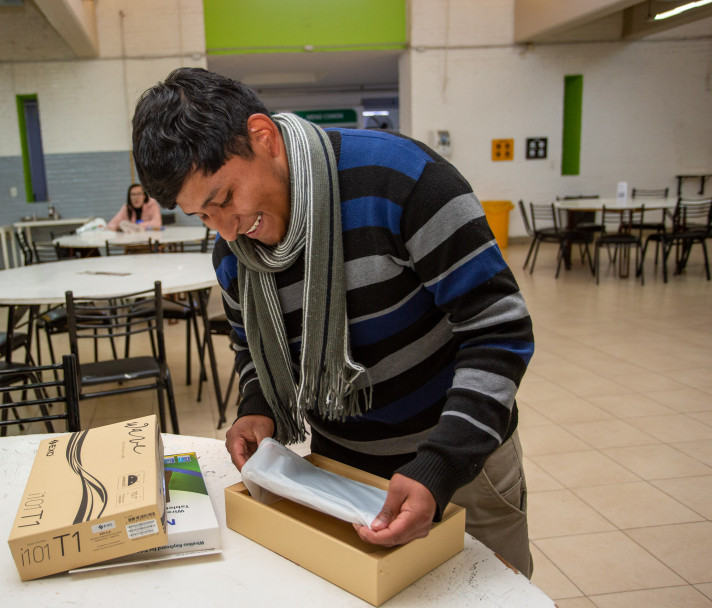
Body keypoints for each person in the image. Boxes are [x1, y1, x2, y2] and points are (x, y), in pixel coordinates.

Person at [132, 67, 535, 577]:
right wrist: (257, 405)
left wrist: (442, 463)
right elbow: (250, 349)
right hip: (339, 475)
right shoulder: (235, 257)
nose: (226, 229)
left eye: (225, 199)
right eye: (202, 216)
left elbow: (498, 328)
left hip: (462, 462)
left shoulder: (403, 179)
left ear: (263, 137)